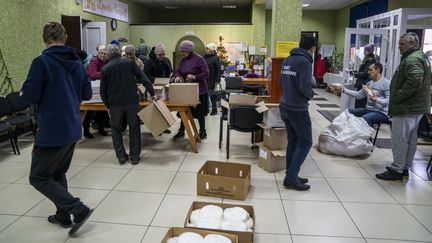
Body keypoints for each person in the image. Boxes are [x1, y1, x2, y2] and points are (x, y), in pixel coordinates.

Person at [20, 22, 93, 236]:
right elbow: (87, 95)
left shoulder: (41, 62)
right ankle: (62, 216)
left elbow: (30, 96)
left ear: (45, 39)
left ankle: (77, 209)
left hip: (51, 130)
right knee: (58, 173)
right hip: (72, 127)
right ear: (65, 37)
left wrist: (24, 90)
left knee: (39, 177)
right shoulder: (78, 63)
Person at [376, 33, 431, 181]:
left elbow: (414, 80)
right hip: (416, 107)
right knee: (411, 139)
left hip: (407, 107)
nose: (399, 46)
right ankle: (404, 167)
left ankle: (397, 169)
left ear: (412, 44)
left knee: (400, 139)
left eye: (402, 44)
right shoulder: (421, 57)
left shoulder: (413, 59)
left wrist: (397, 96)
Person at [100, 44, 156, 165]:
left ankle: (121, 156)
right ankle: (135, 157)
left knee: (116, 130)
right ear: (120, 52)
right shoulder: (129, 63)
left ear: (108, 55)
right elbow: (143, 78)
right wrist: (152, 93)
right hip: (131, 102)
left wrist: (107, 106)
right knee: (134, 128)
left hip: (114, 104)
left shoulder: (105, 68)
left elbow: (102, 91)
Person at [278, 35, 317, 191]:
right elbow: (305, 87)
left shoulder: (287, 59)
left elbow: (281, 83)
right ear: (312, 48)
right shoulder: (305, 62)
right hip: (297, 108)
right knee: (306, 141)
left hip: (285, 105)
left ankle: (291, 174)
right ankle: (291, 177)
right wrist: (311, 95)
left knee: (293, 140)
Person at [172, 40, 209, 140]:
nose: (182, 53)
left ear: (189, 50)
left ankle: (203, 131)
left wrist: (194, 76)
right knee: (184, 110)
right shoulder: (183, 60)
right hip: (187, 89)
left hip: (199, 90)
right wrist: (177, 76)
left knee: (200, 112)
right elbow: (177, 70)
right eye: (181, 51)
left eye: (184, 51)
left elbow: (206, 73)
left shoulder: (199, 59)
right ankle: (181, 131)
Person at [338, 62, 390, 126]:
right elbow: (359, 95)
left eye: (370, 70)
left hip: (381, 113)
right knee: (347, 113)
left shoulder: (386, 83)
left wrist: (376, 100)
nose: (368, 72)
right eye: (368, 70)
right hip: (368, 110)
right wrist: (344, 90)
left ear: (378, 70)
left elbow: (388, 101)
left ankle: (364, 135)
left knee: (365, 119)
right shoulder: (369, 83)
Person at [84, 45, 109, 138]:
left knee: (102, 111)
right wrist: (105, 74)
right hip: (92, 88)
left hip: (101, 88)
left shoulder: (106, 62)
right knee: (89, 111)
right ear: (98, 54)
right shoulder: (94, 61)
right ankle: (86, 130)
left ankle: (101, 128)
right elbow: (92, 74)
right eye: (101, 53)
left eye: (105, 53)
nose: (102, 55)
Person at [353, 43, 377, 108]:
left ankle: (358, 117)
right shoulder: (370, 59)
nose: (364, 52)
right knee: (361, 102)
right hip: (364, 83)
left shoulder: (370, 60)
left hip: (364, 84)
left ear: (367, 51)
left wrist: (356, 74)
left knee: (360, 103)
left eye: (364, 50)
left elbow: (367, 73)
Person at [204, 42, 221, 115]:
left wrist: (217, 81)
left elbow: (218, 70)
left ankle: (214, 109)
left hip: (212, 80)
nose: (206, 50)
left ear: (212, 50)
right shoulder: (203, 57)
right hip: (204, 80)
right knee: (205, 95)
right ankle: (206, 109)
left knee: (211, 95)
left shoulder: (216, 58)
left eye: (207, 49)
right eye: (206, 49)